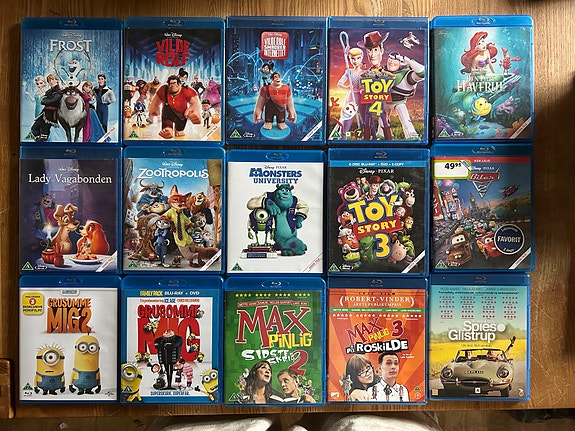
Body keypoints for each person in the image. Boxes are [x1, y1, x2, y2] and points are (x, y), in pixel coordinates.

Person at [357, 30, 393, 140]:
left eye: (375, 50)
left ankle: (389, 140)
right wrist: (362, 89)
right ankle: (367, 140)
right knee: (367, 117)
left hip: (380, 102)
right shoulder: (365, 74)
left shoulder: (386, 73)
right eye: (369, 50)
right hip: (370, 101)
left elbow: (390, 83)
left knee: (384, 118)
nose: (372, 54)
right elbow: (361, 86)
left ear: (381, 50)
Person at [382, 51, 424, 139]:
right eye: (390, 58)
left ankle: (411, 135)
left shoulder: (406, 75)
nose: (391, 61)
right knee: (382, 120)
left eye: (395, 59)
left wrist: (408, 61)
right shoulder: (382, 72)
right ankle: (381, 136)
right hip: (385, 100)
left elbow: (422, 73)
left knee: (405, 119)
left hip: (399, 102)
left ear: (400, 63)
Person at [148, 75, 202, 139]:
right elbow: (156, 101)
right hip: (167, 114)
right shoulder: (163, 89)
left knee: (180, 128)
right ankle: (168, 129)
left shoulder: (186, 90)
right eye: (171, 83)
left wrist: (194, 112)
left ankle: (178, 129)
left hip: (181, 115)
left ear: (178, 84)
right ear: (168, 84)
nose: (172, 85)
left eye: (174, 83)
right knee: (167, 125)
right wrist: (154, 109)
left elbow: (195, 102)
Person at [336, 47, 365, 138]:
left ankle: (369, 139)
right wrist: (347, 87)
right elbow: (339, 83)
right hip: (351, 97)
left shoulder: (365, 72)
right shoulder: (349, 71)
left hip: (362, 97)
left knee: (366, 119)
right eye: (353, 59)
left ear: (362, 58)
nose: (355, 61)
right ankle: (342, 138)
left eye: (358, 58)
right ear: (349, 59)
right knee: (347, 119)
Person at [30, 73, 62, 142]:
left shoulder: (59, 91)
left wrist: (46, 100)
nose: (51, 82)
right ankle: (38, 142)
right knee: (34, 129)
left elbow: (50, 101)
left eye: (53, 79)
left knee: (44, 132)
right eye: (49, 80)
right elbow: (44, 100)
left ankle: (42, 144)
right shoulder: (49, 91)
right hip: (43, 112)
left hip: (51, 114)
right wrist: (45, 100)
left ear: (56, 80)